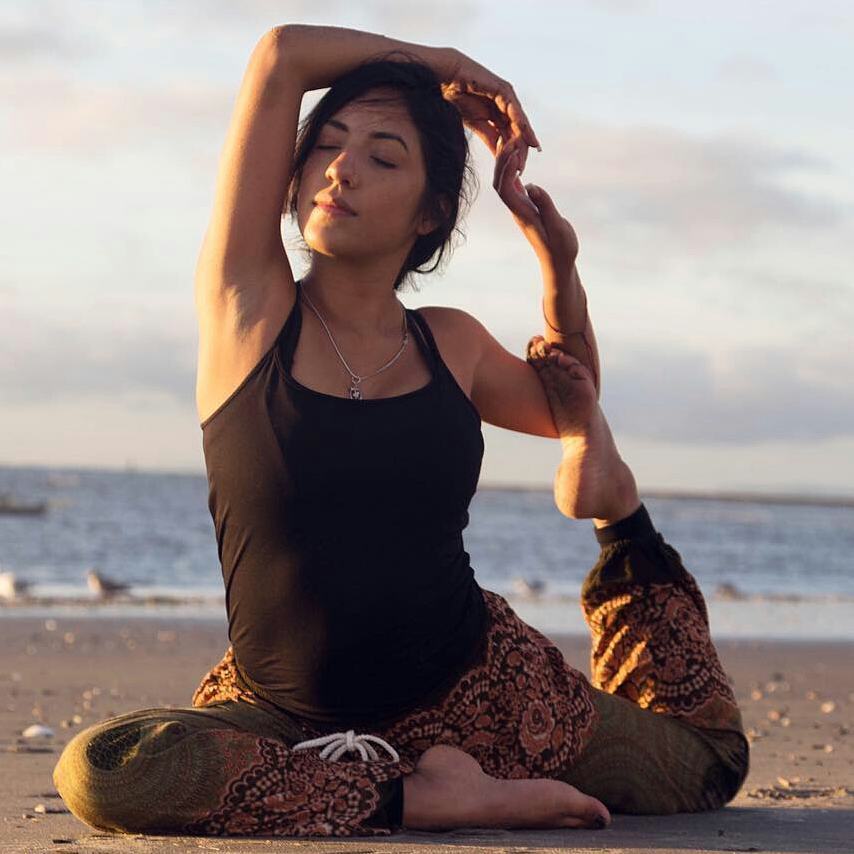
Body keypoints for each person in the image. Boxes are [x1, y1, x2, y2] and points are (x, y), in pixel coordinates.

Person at [52, 24, 749, 838]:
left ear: (430, 214)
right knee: (103, 770)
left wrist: (558, 269)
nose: (341, 168)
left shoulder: (451, 343)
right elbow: (280, 56)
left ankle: (616, 506)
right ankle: (423, 797)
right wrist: (446, 66)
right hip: (286, 719)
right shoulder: (249, 312)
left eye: (383, 158)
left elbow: (569, 401)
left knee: (708, 766)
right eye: (327, 146)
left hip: (487, 699)